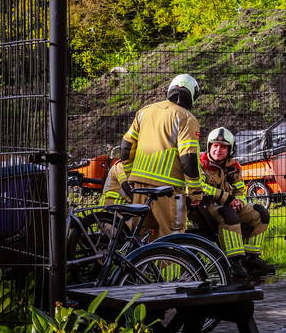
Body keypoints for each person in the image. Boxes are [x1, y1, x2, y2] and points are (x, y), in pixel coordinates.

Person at [115, 74, 204, 237]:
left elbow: (126, 147)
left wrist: (130, 175)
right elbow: (188, 158)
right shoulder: (186, 118)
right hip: (168, 190)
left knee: (141, 237)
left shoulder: (144, 112)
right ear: (192, 95)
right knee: (172, 239)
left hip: (139, 187)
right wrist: (195, 191)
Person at [197, 126, 275, 277]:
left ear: (230, 149)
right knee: (229, 215)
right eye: (215, 145)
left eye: (223, 147)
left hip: (229, 204)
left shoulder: (234, 166)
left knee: (261, 212)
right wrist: (228, 199)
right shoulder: (199, 163)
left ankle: (251, 258)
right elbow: (200, 187)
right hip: (205, 207)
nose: (218, 150)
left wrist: (239, 201)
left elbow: (240, 189)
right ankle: (234, 262)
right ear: (209, 146)